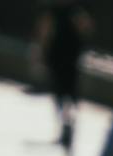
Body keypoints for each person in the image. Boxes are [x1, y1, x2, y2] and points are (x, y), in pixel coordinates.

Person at [36, 0, 90, 144]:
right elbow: (86, 27)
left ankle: (65, 123)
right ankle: (67, 122)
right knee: (68, 92)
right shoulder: (75, 10)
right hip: (70, 56)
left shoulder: (55, 10)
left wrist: (41, 51)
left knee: (60, 92)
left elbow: (44, 30)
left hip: (59, 55)